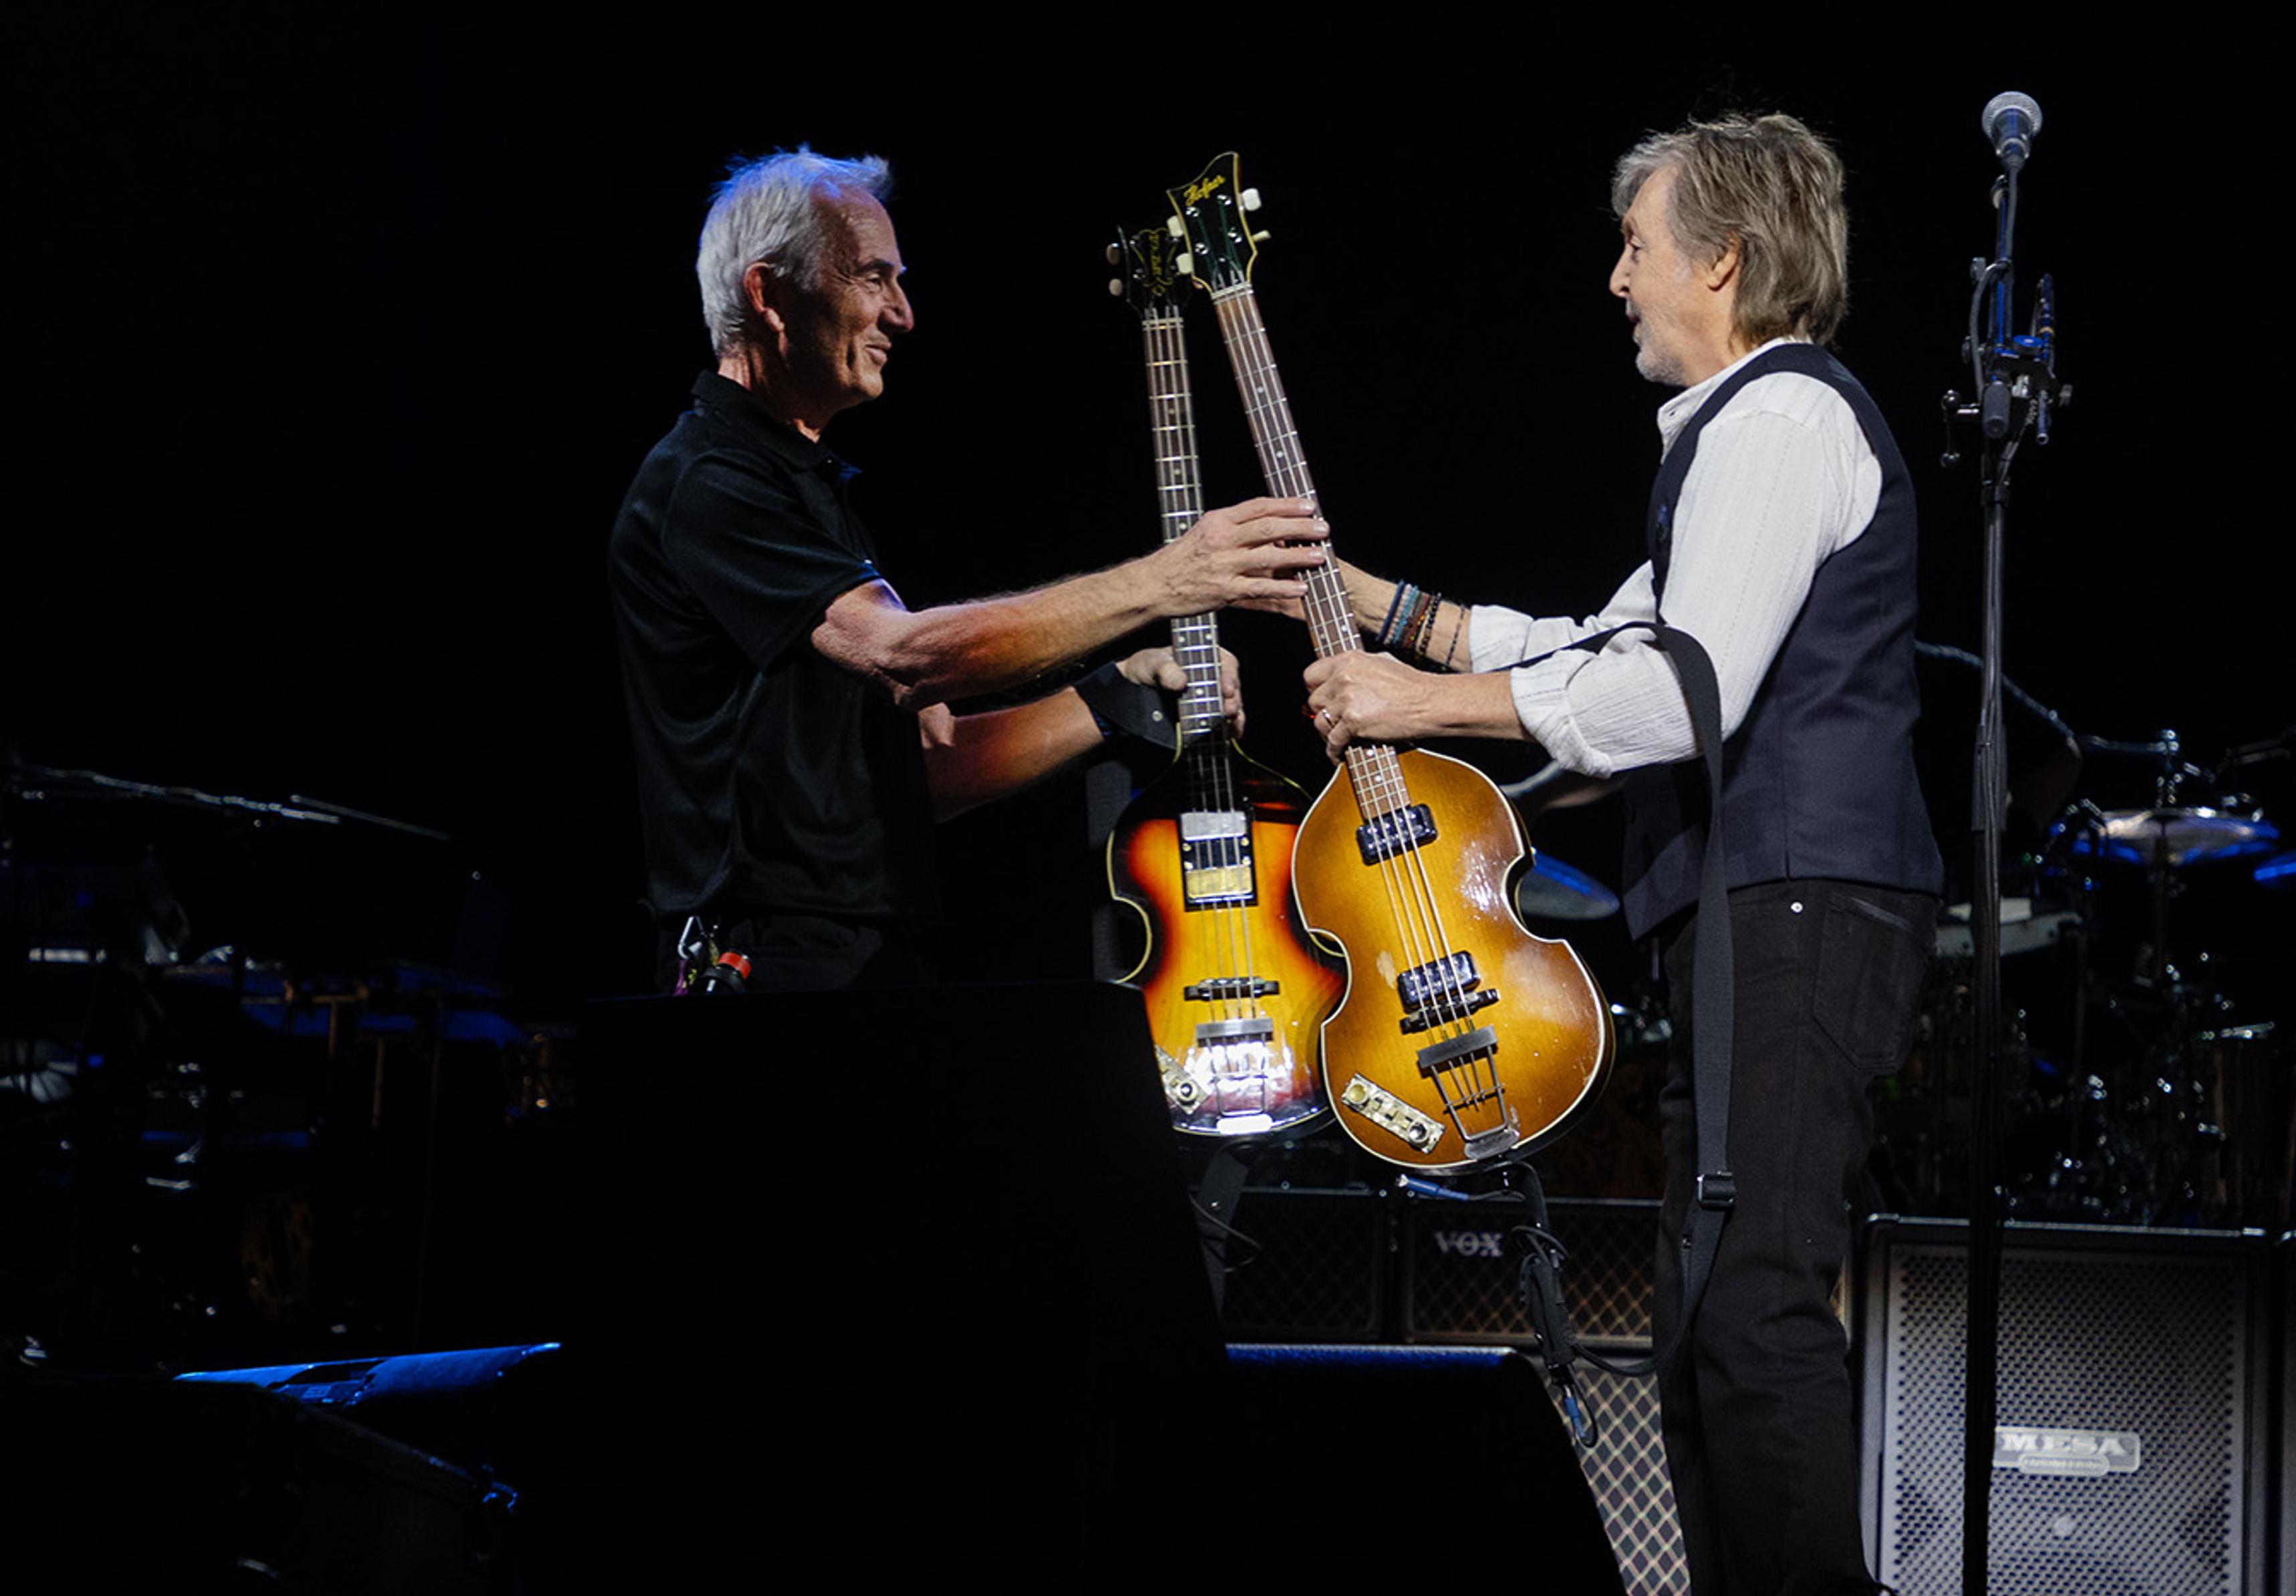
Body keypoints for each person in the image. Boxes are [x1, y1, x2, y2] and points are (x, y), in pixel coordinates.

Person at [1302, 114, 1942, 1595]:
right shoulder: (1740, 433)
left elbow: (1670, 694)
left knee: (1756, 1304)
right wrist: (1379, 603)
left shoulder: (1781, 423)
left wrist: (1420, 704)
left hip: (1800, 899)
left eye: (1638, 248)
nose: (1615, 279)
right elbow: (1603, 647)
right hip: (1753, 899)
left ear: (1723, 260)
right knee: (1704, 1307)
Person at [610, 148, 1323, 991]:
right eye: (874, 278)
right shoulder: (709, 482)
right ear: (768, 293)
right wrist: (1173, 577)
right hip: (768, 963)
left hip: (868, 951)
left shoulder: (804, 488)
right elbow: (905, 656)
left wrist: (1120, 694)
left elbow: (932, 767)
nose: (903, 315)